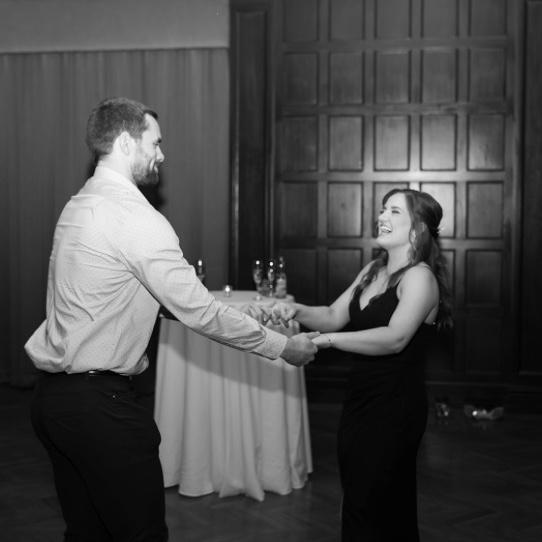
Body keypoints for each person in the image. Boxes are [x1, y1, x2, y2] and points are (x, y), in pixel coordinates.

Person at [24, 97, 318, 542]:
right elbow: (200, 311)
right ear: (126, 143)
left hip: (54, 403)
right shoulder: (137, 217)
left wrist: (239, 312)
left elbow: (107, 294)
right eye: (155, 143)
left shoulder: (79, 204)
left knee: (87, 532)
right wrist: (283, 346)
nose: (161, 154)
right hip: (100, 411)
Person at [270, 188, 452, 541]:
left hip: (396, 407)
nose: (382, 217)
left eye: (394, 211)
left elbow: (395, 338)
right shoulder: (373, 270)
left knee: (381, 503)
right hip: (360, 399)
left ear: (418, 229)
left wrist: (328, 341)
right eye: (383, 209)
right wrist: (295, 310)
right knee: (358, 496)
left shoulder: (420, 277)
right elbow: (332, 315)